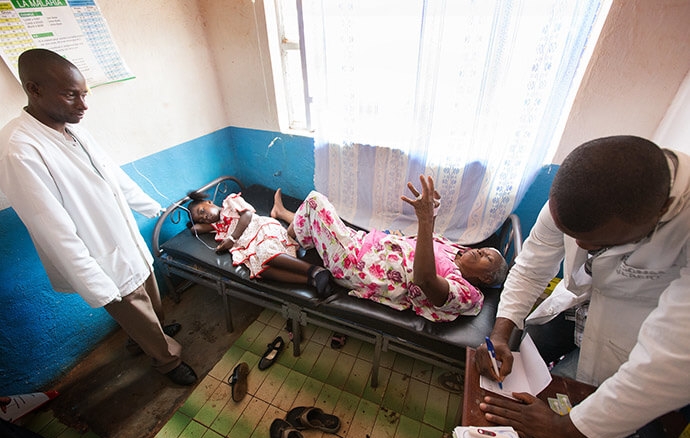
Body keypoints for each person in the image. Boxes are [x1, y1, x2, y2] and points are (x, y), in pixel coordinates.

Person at [474, 136, 690, 438]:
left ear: (655, 216)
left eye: (594, 242)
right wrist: (499, 336)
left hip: (634, 346)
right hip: (573, 308)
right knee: (520, 373)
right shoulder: (584, 192)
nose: (582, 249)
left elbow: (671, 362)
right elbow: (532, 266)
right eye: (572, 236)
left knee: (569, 410)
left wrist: (565, 429)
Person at [0, 49, 197, 386]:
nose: (83, 104)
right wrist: (93, 283)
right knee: (132, 306)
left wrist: (153, 207)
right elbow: (52, 228)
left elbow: (112, 176)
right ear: (34, 89)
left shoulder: (71, 128)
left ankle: (148, 336)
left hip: (124, 239)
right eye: (70, 94)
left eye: (84, 93)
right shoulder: (20, 148)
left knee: (149, 295)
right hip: (99, 255)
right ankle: (166, 360)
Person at [271, 175, 508, 322]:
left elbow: (426, 280)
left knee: (315, 201)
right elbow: (421, 242)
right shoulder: (454, 250)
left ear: (485, 277)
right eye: (484, 249)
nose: (479, 251)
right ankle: (283, 215)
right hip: (366, 245)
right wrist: (431, 211)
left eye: (487, 257)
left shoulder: (467, 294)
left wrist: (427, 219)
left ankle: (288, 237)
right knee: (322, 221)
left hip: (356, 266)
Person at [186, 190, 334, 297]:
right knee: (261, 270)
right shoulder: (217, 226)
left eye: (201, 211)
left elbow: (247, 214)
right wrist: (194, 221)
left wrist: (232, 239)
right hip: (251, 246)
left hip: (261, 230)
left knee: (266, 253)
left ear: (209, 202)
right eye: (201, 219)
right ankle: (313, 282)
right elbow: (194, 229)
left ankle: (316, 271)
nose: (204, 217)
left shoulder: (229, 202)